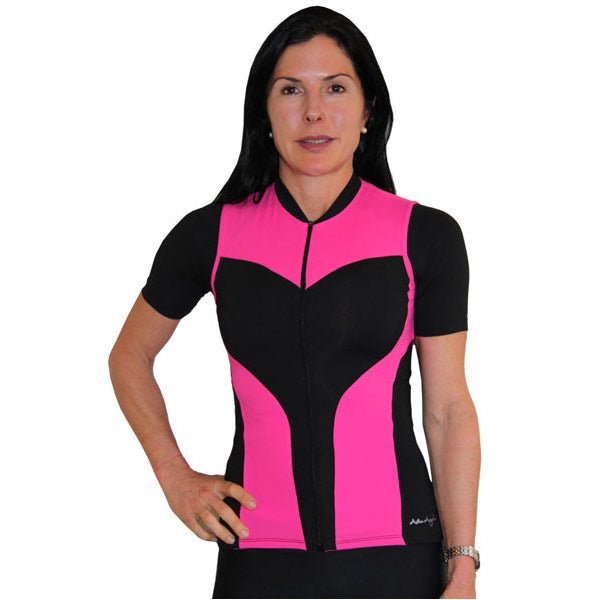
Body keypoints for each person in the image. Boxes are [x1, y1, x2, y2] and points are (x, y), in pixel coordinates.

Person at [108, 6, 481, 599]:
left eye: (335, 88)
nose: (313, 112)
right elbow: (129, 357)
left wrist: (462, 563)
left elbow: (448, 409)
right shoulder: (210, 236)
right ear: (264, 112)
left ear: (369, 110)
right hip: (258, 560)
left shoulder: (425, 236)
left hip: (398, 560)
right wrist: (175, 477)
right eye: (290, 90)